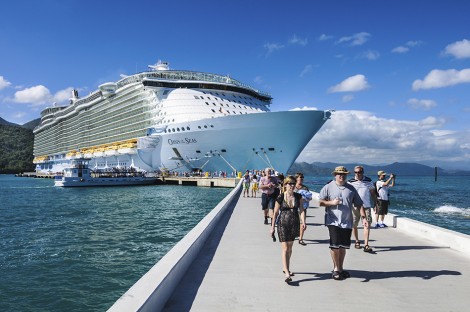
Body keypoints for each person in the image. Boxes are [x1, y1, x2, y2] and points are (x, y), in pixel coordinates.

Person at [319, 166, 368, 280]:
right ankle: (336, 269)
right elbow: (320, 202)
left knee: (343, 247)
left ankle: (340, 268)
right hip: (333, 221)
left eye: (344, 174)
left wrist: (364, 218)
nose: (341, 176)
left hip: (347, 221)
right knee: (335, 246)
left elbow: (359, 204)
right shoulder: (328, 186)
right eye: (339, 174)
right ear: (335, 175)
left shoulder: (351, 188)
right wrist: (332, 202)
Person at [270, 175, 306, 283]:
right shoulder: (280, 197)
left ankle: (286, 268)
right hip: (282, 224)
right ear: (285, 185)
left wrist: (303, 221)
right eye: (289, 184)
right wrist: (272, 227)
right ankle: (287, 273)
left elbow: (302, 210)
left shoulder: (298, 197)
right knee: (285, 248)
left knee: (290, 248)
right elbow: (275, 213)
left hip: (294, 223)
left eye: (293, 184)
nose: (292, 186)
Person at [348, 166, 375, 252]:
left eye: (359, 172)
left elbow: (373, 193)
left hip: (366, 206)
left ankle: (366, 245)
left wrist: (375, 204)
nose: (357, 174)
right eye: (356, 172)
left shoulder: (368, 181)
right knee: (354, 225)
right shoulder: (350, 182)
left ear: (363, 172)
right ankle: (357, 241)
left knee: (367, 225)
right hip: (354, 207)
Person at [294, 172, 311, 246]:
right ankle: (294, 234)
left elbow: (309, 198)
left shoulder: (305, 188)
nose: (301, 179)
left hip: (303, 207)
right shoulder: (292, 187)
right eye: (300, 177)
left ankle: (300, 238)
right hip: (293, 207)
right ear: (296, 178)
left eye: (302, 178)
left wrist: (305, 199)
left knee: (302, 223)